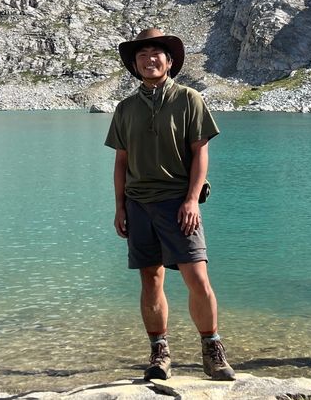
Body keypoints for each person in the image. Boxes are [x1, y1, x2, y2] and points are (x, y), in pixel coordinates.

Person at [104, 28, 235, 381]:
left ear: (170, 60)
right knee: (150, 279)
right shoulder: (125, 108)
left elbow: (200, 153)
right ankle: (159, 352)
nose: (149, 60)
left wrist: (192, 199)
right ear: (134, 65)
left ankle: (212, 349)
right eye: (142, 55)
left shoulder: (189, 99)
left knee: (197, 277)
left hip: (178, 202)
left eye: (156, 54)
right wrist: (119, 207)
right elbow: (121, 162)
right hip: (138, 205)